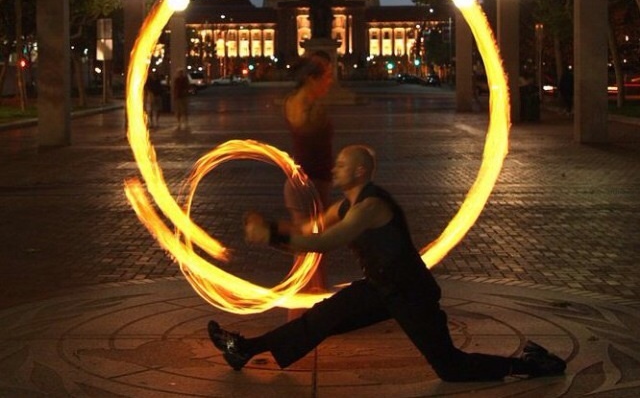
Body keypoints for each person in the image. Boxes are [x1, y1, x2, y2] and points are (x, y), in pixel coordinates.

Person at [208, 145, 567, 382]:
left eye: (343, 164)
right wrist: (271, 229)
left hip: (410, 292)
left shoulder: (371, 207)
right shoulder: (346, 205)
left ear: (361, 171)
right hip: (380, 287)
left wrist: (270, 235)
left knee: (450, 367)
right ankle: (243, 349)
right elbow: (310, 229)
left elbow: (322, 243)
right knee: (320, 318)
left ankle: (529, 365)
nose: (335, 167)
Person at [283, 51, 334, 296]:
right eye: (325, 76)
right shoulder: (304, 105)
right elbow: (307, 133)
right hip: (308, 184)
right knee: (310, 251)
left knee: (312, 250)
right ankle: (304, 310)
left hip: (310, 183)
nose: (329, 81)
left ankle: (314, 299)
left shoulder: (299, 101)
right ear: (311, 79)